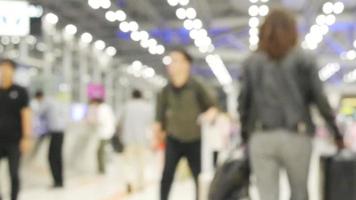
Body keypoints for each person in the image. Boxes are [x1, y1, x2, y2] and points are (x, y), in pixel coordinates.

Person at [238, 8, 344, 200]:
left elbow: (243, 103)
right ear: (293, 30)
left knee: (267, 196)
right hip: (297, 136)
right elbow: (320, 99)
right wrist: (336, 133)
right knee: (300, 193)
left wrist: (244, 135)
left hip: (261, 137)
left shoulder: (251, 62)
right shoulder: (304, 59)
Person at [154, 48, 218, 200]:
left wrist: (209, 116)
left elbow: (212, 107)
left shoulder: (196, 86)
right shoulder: (166, 90)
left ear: (186, 64)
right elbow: (159, 118)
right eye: (170, 61)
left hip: (195, 139)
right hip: (173, 139)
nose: (171, 65)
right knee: (167, 174)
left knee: (198, 175)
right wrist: (157, 137)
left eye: (176, 61)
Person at [0, 58, 32, 200]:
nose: (4, 71)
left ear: (13, 71)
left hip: (14, 140)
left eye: (8, 68)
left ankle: (14, 197)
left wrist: (26, 137)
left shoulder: (21, 91)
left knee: (14, 173)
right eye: (2, 68)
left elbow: (26, 115)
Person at [34, 90, 69, 188]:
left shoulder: (46, 102)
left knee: (52, 157)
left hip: (55, 133)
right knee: (57, 157)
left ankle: (57, 182)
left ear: (38, 97)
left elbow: (38, 114)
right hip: (60, 132)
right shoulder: (54, 101)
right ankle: (59, 181)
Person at [121, 89, 154, 191]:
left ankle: (129, 181)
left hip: (128, 139)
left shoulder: (126, 106)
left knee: (128, 163)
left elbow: (118, 121)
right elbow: (152, 123)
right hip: (143, 140)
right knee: (142, 163)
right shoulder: (147, 107)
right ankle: (141, 184)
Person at [86, 98, 116, 174]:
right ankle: (102, 169)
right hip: (107, 132)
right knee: (102, 151)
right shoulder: (106, 107)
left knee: (101, 151)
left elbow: (100, 120)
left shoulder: (102, 109)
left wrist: (91, 121)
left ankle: (102, 170)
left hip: (104, 133)